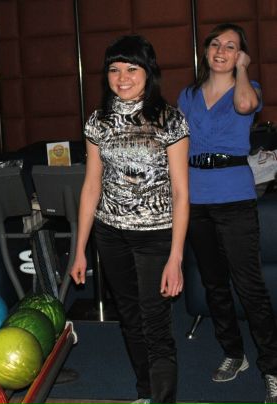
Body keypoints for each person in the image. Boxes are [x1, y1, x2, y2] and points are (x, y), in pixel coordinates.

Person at [70, 35, 189, 404]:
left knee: (155, 321)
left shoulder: (170, 119)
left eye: (131, 69)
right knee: (130, 317)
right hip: (110, 234)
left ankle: (163, 399)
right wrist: (80, 250)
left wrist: (176, 257)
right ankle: (145, 391)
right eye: (114, 69)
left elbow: (181, 192)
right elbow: (91, 185)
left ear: (148, 72)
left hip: (157, 235)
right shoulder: (98, 121)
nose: (122, 78)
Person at [177, 23, 277, 403]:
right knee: (214, 283)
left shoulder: (250, 88)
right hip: (196, 197)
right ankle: (234, 353)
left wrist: (243, 69)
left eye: (231, 46)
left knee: (249, 286)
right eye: (216, 44)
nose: (221, 51)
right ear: (206, 51)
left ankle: (272, 366)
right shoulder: (188, 95)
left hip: (234, 196)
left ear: (240, 55)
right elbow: (179, 143)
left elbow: (244, 106)